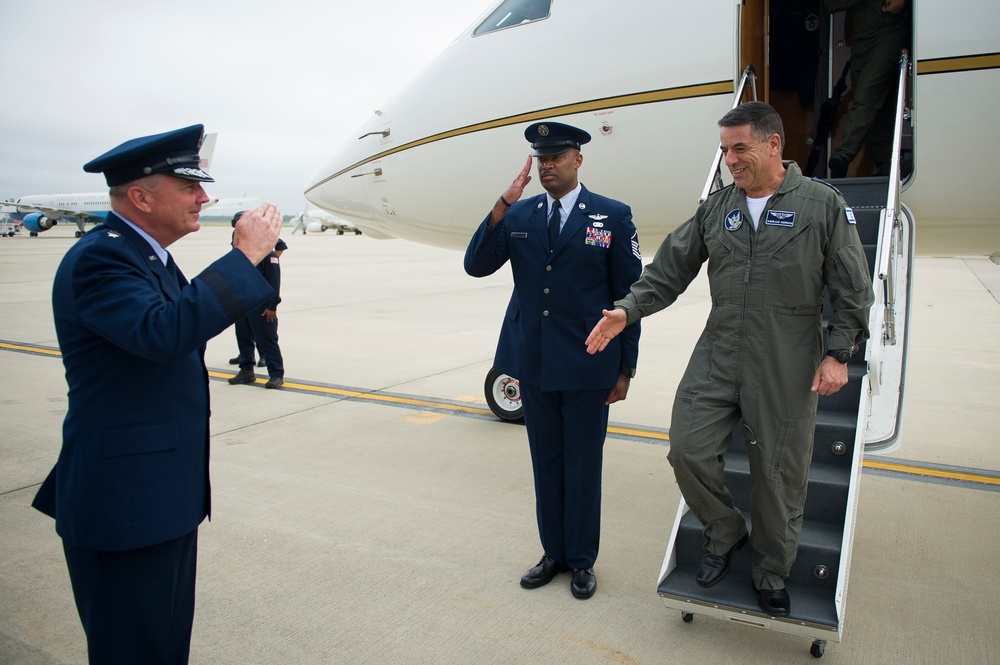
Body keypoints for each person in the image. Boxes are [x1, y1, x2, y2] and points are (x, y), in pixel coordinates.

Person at [585, 102, 873, 616]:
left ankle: (771, 571)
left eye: (740, 148)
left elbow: (851, 286)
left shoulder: (819, 204)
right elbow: (668, 271)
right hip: (720, 348)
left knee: (778, 474)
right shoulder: (718, 208)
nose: (730, 160)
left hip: (787, 356)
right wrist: (627, 312)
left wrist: (839, 354)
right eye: (724, 150)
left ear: (773, 144)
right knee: (687, 448)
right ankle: (724, 530)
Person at [31, 124, 282, 664]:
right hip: (123, 505)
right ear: (141, 196)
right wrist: (244, 258)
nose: (204, 197)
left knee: (163, 649)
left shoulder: (151, 259)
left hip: (159, 498)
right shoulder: (102, 258)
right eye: (189, 186)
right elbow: (163, 332)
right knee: (134, 651)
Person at [465, 122, 642, 600]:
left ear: (578, 159)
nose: (546, 165)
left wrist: (626, 368)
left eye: (556, 157)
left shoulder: (612, 215)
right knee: (546, 464)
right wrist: (503, 202)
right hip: (535, 364)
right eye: (540, 158)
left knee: (583, 466)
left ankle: (582, 561)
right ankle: (554, 554)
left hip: (589, 365)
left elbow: (631, 297)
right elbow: (476, 264)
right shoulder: (519, 214)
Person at [826, 0, 909, 178]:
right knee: (878, 108)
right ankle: (887, 167)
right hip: (861, 40)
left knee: (866, 97)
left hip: (889, 33)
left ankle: (843, 154)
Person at [228, 219, 286, 389]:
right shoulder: (238, 254)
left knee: (267, 340)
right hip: (242, 303)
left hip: (261, 306)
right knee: (243, 337)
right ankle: (246, 370)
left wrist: (272, 306)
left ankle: (276, 374)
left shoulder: (269, 255)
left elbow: (274, 282)